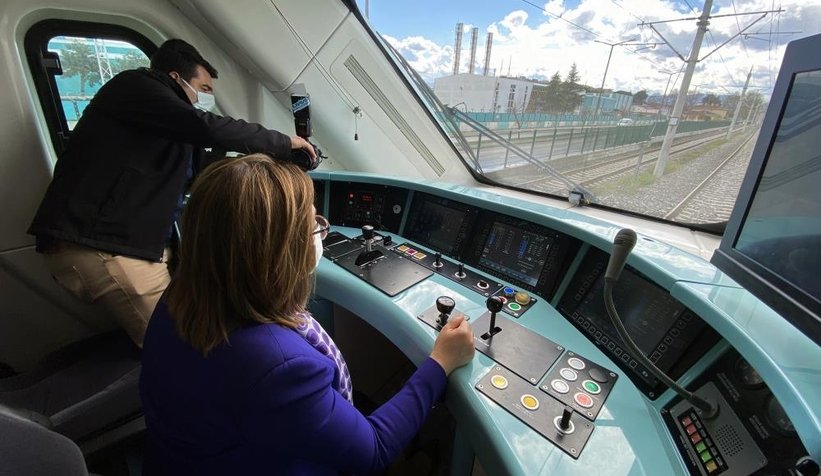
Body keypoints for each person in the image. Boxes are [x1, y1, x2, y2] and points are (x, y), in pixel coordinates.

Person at [139, 154, 476, 475]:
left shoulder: (183, 292)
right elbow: (374, 449)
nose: (320, 232)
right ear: (279, 253)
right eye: (313, 226)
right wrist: (441, 361)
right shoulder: (278, 367)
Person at [28, 39, 317, 348]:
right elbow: (206, 127)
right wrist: (284, 143)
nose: (207, 98)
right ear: (175, 77)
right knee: (182, 348)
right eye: (204, 88)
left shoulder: (164, 125)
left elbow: (201, 169)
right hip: (104, 248)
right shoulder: (135, 86)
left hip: (118, 245)